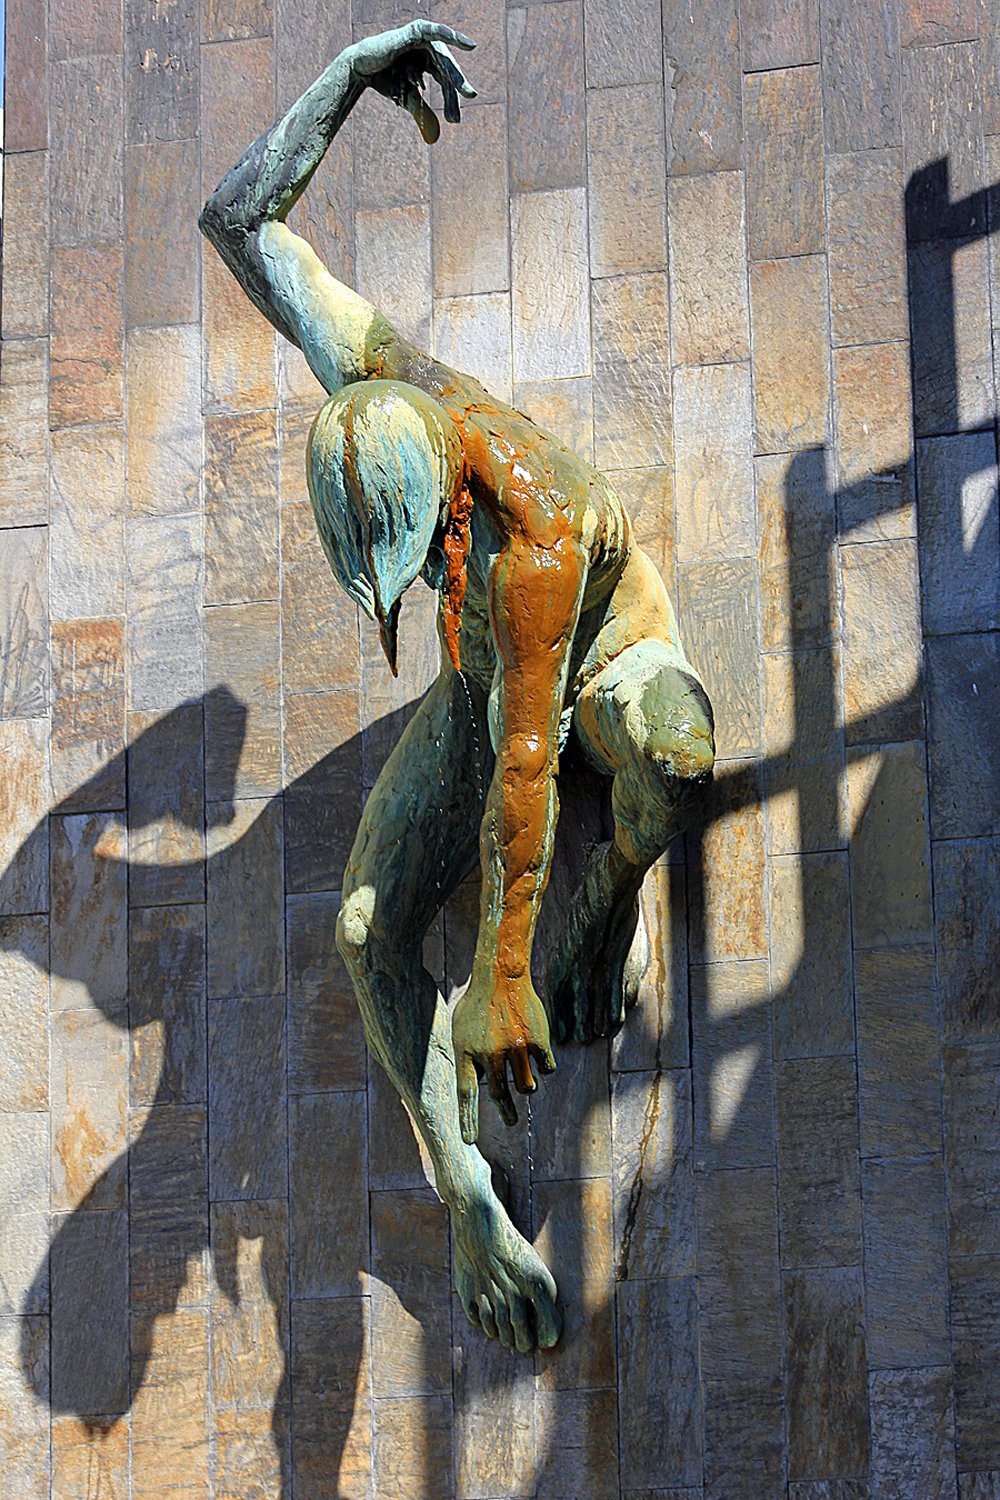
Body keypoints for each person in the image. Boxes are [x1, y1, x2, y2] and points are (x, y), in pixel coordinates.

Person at [200, 21, 714, 1354]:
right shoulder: (379, 393)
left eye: (421, 558)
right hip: (488, 679)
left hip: (594, 662)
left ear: (451, 500)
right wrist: (351, 76)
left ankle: (613, 911)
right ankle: (468, 1192)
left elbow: (528, 767)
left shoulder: (531, 543)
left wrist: (510, 970)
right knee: (367, 928)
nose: (422, 576)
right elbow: (241, 223)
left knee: (671, 752)